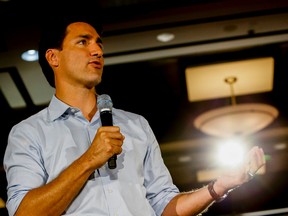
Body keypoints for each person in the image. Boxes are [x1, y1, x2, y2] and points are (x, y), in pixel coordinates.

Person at [3, 14, 265, 216]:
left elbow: (164, 205)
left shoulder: (136, 125)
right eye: (83, 42)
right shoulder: (28, 133)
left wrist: (219, 186)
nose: (97, 51)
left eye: (98, 43)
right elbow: (24, 212)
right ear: (53, 58)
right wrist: (89, 160)